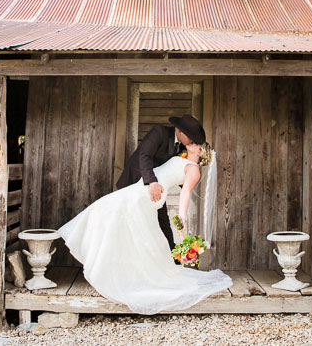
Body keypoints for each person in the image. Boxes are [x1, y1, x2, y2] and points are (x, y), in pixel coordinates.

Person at [58, 141, 232, 315]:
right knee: (114, 219)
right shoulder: (182, 158)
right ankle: (117, 270)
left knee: (105, 209)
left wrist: (182, 216)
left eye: (195, 143)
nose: (190, 142)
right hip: (141, 189)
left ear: (201, 152)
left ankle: (107, 271)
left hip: (148, 196)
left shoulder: (193, 169)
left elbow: (185, 193)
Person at [116, 115, 206, 251]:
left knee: (162, 221)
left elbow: (178, 172)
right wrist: (152, 182)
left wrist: (189, 182)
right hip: (137, 182)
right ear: (179, 131)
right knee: (127, 222)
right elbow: (144, 155)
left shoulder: (184, 147)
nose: (193, 141)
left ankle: (173, 258)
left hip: (158, 188)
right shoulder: (159, 132)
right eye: (191, 137)